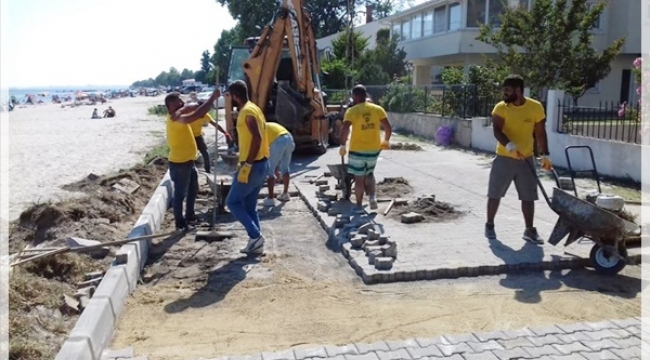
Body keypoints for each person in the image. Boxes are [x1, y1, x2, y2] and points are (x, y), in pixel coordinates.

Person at [485, 74, 552, 244]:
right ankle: (490, 225)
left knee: (528, 196)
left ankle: (529, 230)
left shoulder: (535, 107)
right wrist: (509, 146)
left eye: (507, 91)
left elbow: (540, 132)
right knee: (495, 194)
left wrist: (545, 154)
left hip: (526, 159)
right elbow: (497, 131)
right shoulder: (501, 108)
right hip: (504, 158)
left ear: (518, 90)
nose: (504, 94)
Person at [165, 88, 221, 231]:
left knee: (193, 189)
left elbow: (192, 107)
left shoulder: (179, 113)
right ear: (172, 105)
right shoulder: (175, 119)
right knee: (180, 194)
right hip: (180, 163)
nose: (183, 103)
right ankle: (180, 222)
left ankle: (190, 215)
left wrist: (196, 104)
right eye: (179, 102)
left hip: (189, 162)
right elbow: (197, 114)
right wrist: (212, 98)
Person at [225, 80, 270, 255]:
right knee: (249, 206)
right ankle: (256, 243)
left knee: (232, 202)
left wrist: (247, 164)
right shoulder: (254, 108)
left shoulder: (247, 112)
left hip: (252, 165)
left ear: (235, 97)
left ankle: (255, 235)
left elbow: (257, 138)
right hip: (260, 164)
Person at [339, 84, 392, 210]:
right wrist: (386, 141)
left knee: (359, 179)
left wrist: (342, 144)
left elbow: (345, 129)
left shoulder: (352, 111)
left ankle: (358, 205)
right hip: (374, 148)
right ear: (365, 95)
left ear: (355, 96)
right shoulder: (377, 109)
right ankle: (372, 197)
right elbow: (388, 127)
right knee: (370, 174)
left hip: (357, 149)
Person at [263, 122, 295, 206]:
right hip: (289, 138)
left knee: (269, 171)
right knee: (285, 168)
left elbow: (262, 152)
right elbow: (274, 158)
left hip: (279, 140)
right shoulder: (268, 126)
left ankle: (270, 199)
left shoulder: (259, 130)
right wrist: (276, 171)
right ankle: (285, 194)